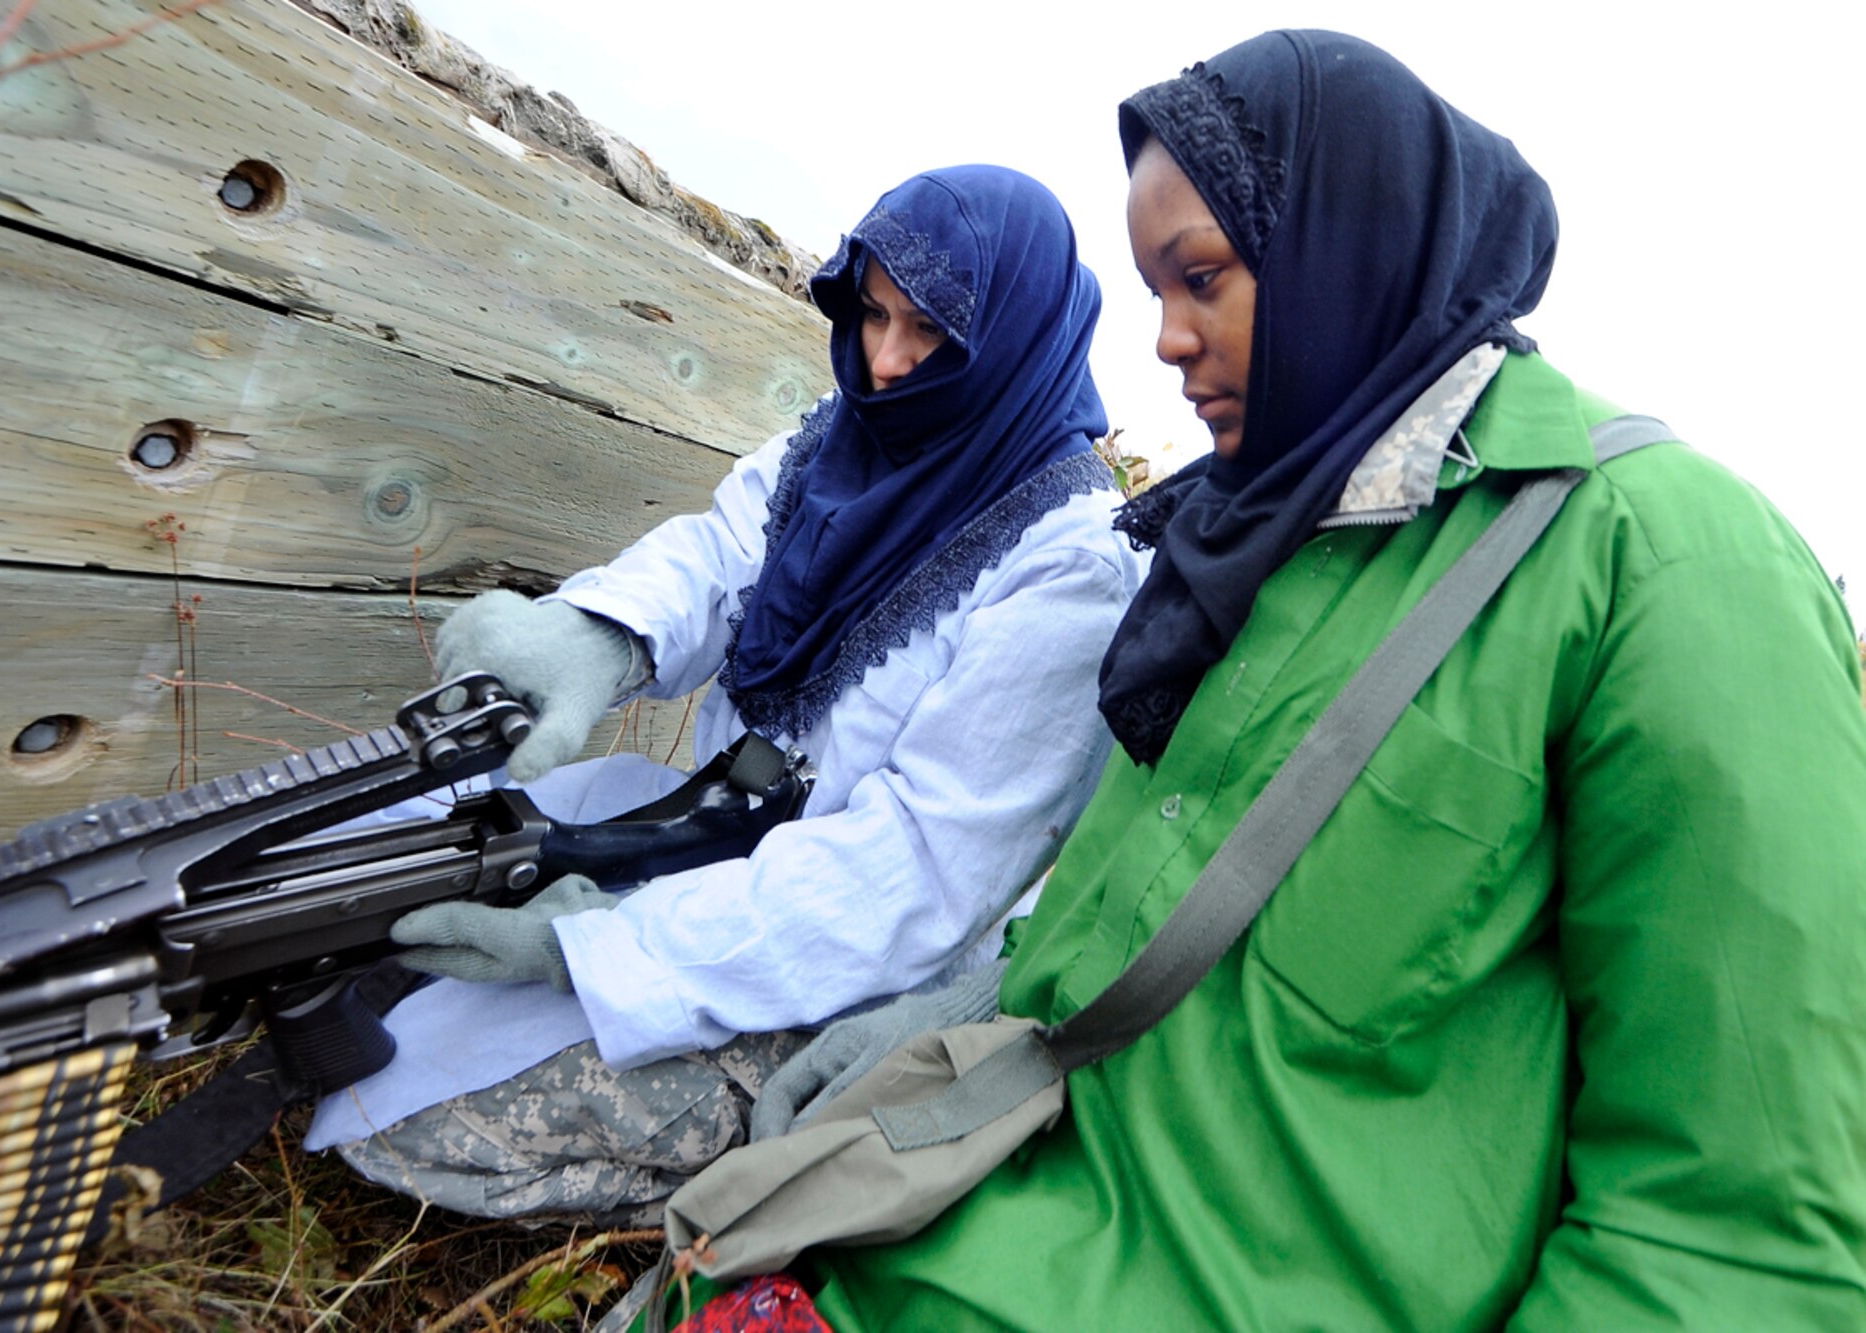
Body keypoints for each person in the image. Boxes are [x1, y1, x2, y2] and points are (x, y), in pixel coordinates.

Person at [751, 31, 1866, 1330]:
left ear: (1354, 242)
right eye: (1151, 287)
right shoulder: (1254, 525)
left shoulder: (1672, 560)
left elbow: (1730, 1239)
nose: (1165, 339)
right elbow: (1152, 891)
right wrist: (970, 1004)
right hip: (938, 1239)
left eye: (1202, 277)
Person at [312, 164, 1142, 1226]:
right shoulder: (845, 434)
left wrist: (600, 947)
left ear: (1018, 338)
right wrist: (601, 636)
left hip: (852, 959)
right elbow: (718, 556)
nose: (887, 362)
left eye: (930, 331)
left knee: (403, 1122)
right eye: (872, 314)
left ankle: (764, 1171)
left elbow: (912, 879)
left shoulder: (1071, 566)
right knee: (381, 855)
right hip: (702, 829)